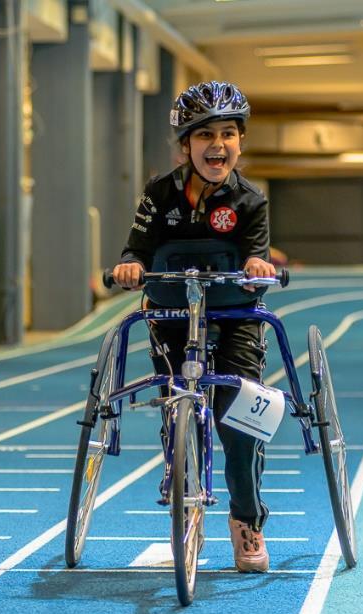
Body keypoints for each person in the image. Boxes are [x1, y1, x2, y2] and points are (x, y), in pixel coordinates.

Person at [113, 81, 276, 572]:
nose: (218, 145)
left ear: (240, 143)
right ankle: (186, 502)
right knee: (174, 404)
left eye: (229, 133)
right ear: (186, 145)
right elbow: (136, 250)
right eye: (205, 135)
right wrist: (129, 267)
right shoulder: (159, 193)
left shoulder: (250, 200)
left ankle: (246, 521)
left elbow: (256, 253)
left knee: (239, 424)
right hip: (173, 316)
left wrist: (257, 265)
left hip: (235, 318)